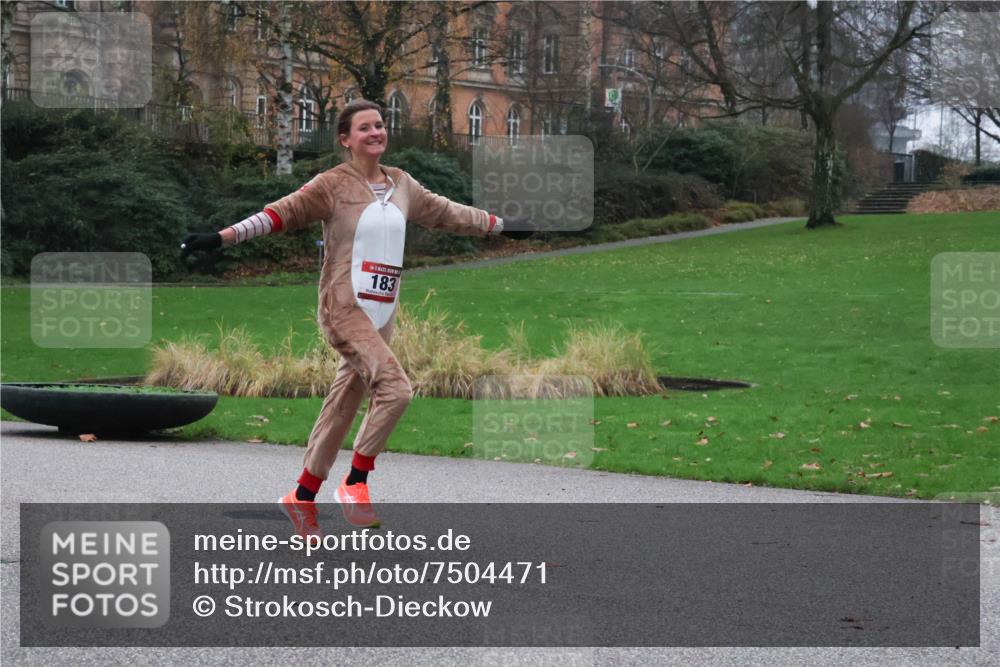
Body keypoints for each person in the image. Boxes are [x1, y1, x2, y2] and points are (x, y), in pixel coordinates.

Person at [180, 99, 533, 537]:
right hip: (343, 308)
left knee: (343, 404)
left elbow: (450, 213)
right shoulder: (332, 185)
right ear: (346, 139)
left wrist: (501, 225)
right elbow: (279, 213)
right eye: (365, 128)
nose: (376, 133)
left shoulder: (403, 185)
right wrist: (221, 237)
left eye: (380, 125)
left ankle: (302, 497)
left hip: (381, 314)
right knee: (397, 389)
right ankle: (356, 482)